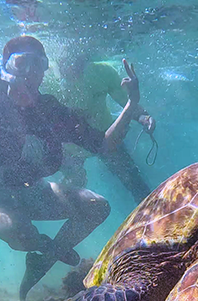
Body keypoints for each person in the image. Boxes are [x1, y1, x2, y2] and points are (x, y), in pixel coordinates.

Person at [0, 35, 143, 301]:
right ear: (5, 66)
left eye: (39, 64)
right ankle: (44, 247)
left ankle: (43, 260)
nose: (31, 72)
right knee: (18, 231)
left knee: (97, 206)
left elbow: (104, 144)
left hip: (34, 192)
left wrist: (130, 106)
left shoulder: (50, 110)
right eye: (22, 62)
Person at [53, 51, 156, 202]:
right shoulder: (47, 79)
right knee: (69, 194)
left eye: (75, 67)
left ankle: (154, 216)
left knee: (135, 182)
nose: (70, 71)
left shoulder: (102, 72)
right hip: (70, 147)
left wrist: (144, 118)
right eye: (65, 67)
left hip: (106, 137)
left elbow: (126, 101)